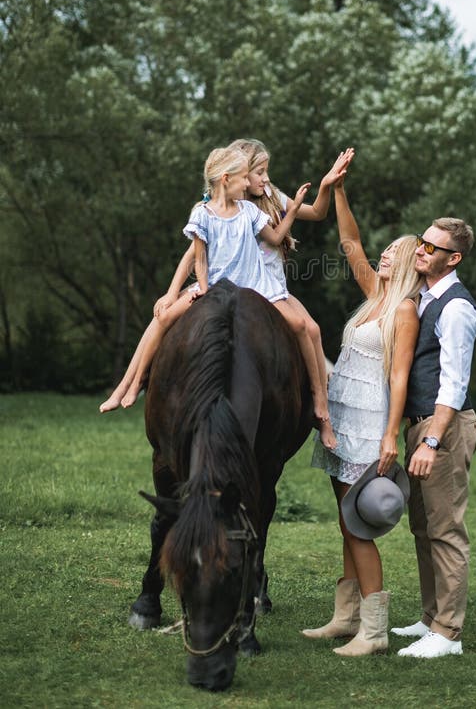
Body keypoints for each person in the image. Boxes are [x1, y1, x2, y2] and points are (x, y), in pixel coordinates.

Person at [302, 166, 423, 656]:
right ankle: (346, 616)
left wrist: (391, 436)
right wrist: (340, 191)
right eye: (386, 250)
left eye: (396, 251)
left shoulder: (405, 310)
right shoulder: (376, 295)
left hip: (372, 424)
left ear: (413, 264)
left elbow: (399, 377)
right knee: (344, 517)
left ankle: (373, 631)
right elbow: (350, 243)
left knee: (358, 524)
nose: (386, 254)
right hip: (344, 421)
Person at [100, 146, 310, 416]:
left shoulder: (248, 210)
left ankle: (314, 400)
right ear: (226, 178)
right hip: (212, 285)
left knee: (301, 326)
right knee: (163, 318)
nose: (249, 183)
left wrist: (293, 209)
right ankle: (132, 383)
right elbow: (197, 259)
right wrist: (190, 291)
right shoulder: (203, 214)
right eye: (246, 177)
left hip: (253, 285)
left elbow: (277, 235)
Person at [392, 220, 476, 659]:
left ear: (454, 257)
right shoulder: (427, 299)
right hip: (420, 424)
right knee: (423, 526)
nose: (422, 250)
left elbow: (454, 383)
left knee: (445, 529)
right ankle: (431, 618)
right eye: (422, 241)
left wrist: (431, 441)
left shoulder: (456, 308)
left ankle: (448, 634)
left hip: (442, 427)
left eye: (433, 246)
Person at [231, 138, 355, 449]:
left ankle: (321, 411)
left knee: (310, 328)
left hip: (275, 284)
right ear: (242, 174)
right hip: (245, 283)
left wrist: (325, 184)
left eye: (266, 171)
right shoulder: (231, 205)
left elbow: (316, 212)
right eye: (261, 171)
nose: (267, 178)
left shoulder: (271, 196)